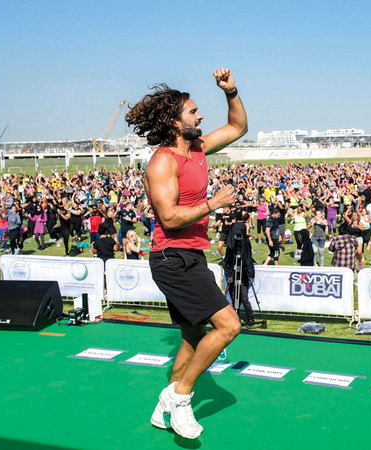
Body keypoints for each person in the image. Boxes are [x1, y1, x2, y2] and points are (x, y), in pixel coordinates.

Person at [131, 67, 246, 440]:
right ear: (174, 122)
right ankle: (180, 397)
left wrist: (230, 91)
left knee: (193, 336)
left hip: (191, 254)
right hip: (172, 257)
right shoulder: (163, 161)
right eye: (193, 112)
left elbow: (238, 127)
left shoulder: (198, 148)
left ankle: (164, 404)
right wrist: (213, 204)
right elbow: (168, 217)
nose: (201, 116)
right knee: (228, 326)